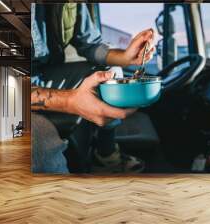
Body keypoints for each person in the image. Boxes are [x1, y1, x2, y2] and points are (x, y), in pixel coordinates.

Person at [31, 3, 155, 173]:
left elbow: (90, 44)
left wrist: (126, 57)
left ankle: (105, 155)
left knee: (112, 74)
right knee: (41, 151)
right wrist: (69, 101)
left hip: (40, 75)